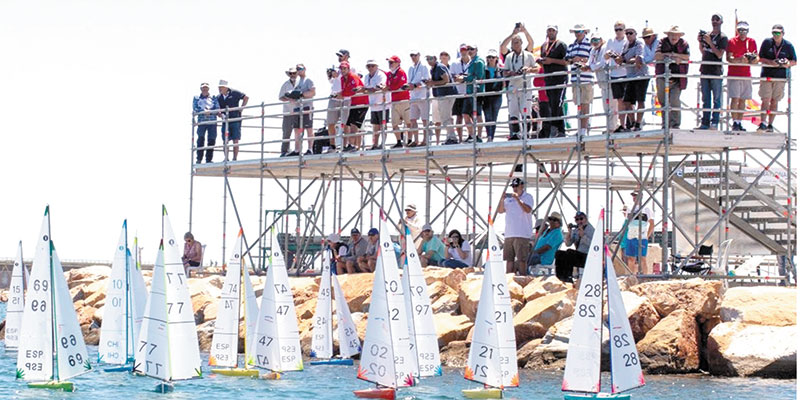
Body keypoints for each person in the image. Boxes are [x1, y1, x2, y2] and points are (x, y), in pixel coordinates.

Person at [757, 24, 797, 132]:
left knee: (775, 101)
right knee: (765, 99)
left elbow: (794, 61)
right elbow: (759, 58)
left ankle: (770, 125)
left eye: (778, 33)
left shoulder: (788, 45)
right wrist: (771, 62)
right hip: (767, 75)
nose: (776, 35)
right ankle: (763, 123)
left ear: (783, 33)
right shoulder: (767, 42)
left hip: (780, 77)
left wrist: (786, 63)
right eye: (774, 33)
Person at [501, 30, 537, 139]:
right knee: (513, 112)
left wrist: (528, 69)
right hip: (512, 87)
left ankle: (526, 134)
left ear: (521, 43)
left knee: (526, 111)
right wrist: (511, 73)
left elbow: (537, 68)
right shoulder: (508, 57)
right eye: (513, 42)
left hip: (525, 87)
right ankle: (516, 134)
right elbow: (504, 72)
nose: (515, 45)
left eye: (517, 42)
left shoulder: (529, 55)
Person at [655, 26, 690, 129]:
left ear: (679, 36)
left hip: (677, 78)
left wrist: (677, 56)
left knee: (674, 101)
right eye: (671, 34)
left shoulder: (684, 44)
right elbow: (657, 56)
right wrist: (672, 56)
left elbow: (687, 56)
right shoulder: (662, 42)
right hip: (662, 76)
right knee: (663, 101)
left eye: (676, 35)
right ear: (668, 35)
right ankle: (665, 124)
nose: (673, 37)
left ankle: (675, 125)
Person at [697, 13, 728, 130]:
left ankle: (714, 122)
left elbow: (720, 54)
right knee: (705, 98)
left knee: (716, 99)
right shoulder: (708, 35)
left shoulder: (723, 37)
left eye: (717, 19)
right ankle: (704, 122)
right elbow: (703, 51)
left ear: (721, 22)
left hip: (716, 72)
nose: (715, 21)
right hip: (705, 69)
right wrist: (700, 41)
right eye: (713, 19)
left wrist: (710, 43)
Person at [726, 21, 759, 132]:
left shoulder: (752, 42)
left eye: (744, 30)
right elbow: (729, 58)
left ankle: (739, 122)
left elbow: (756, 58)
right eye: (740, 30)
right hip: (734, 74)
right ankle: (735, 122)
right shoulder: (732, 41)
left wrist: (752, 59)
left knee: (743, 100)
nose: (742, 32)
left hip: (746, 74)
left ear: (748, 31)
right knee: (735, 98)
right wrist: (740, 59)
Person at [497, 177, 534, 275]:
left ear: (522, 186)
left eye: (516, 186)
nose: (514, 188)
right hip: (509, 233)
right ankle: (508, 279)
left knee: (522, 259)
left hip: (522, 233)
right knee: (509, 259)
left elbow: (527, 210)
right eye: (513, 186)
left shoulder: (527, 197)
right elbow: (500, 211)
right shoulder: (508, 199)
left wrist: (517, 199)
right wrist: (502, 200)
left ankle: (523, 277)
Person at [539, 25, 569, 136]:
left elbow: (566, 61)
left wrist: (552, 60)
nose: (550, 32)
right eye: (549, 30)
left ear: (556, 32)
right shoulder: (544, 46)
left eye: (552, 30)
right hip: (549, 78)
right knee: (551, 104)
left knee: (558, 103)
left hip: (560, 77)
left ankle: (558, 128)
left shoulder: (561, 45)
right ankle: (557, 128)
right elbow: (543, 62)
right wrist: (542, 62)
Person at [566, 24, 594, 136]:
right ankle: (580, 128)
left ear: (585, 32)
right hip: (575, 78)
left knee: (585, 103)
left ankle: (583, 130)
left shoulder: (590, 44)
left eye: (580, 31)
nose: (578, 34)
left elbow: (593, 59)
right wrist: (573, 60)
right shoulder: (571, 45)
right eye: (576, 32)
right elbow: (567, 60)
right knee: (578, 104)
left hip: (586, 78)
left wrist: (582, 60)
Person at [554, 212, 595, 283]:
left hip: (588, 256)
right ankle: (560, 276)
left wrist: (583, 236)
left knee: (570, 253)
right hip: (579, 255)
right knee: (559, 254)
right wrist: (569, 233)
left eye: (581, 219)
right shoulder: (576, 230)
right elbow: (568, 244)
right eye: (577, 219)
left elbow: (593, 245)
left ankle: (568, 277)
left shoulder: (591, 230)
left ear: (586, 219)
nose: (579, 221)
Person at [426, 54, 458, 145]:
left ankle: (452, 137)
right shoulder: (433, 69)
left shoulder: (439, 67)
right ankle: (450, 136)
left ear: (435, 59)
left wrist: (433, 83)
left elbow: (446, 80)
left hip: (446, 94)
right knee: (446, 117)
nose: (429, 61)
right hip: (443, 95)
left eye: (431, 58)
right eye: (428, 59)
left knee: (445, 117)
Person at [620, 27, 647, 131]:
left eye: (630, 33)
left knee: (640, 99)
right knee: (627, 101)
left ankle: (638, 123)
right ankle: (633, 122)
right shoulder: (625, 45)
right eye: (626, 33)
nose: (628, 35)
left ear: (635, 34)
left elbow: (638, 58)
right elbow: (623, 58)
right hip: (630, 76)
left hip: (641, 75)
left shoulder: (639, 43)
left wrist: (626, 60)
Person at [587, 31, 614, 132]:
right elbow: (591, 62)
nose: (595, 42)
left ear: (601, 40)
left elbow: (602, 63)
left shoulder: (604, 48)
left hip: (608, 80)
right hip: (601, 81)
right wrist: (587, 66)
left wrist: (590, 67)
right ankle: (610, 126)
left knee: (611, 105)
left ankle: (612, 127)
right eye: (593, 40)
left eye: (597, 40)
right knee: (606, 105)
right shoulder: (593, 51)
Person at [339, 62, 369, 151]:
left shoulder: (353, 77)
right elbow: (345, 91)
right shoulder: (342, 79)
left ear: (348, 69)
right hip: (354, 103)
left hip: (361, 103)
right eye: (341, 69)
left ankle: (353, 145)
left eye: (345, 68)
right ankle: (351, 145)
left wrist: (342, 94)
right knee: (350, 124)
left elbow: (354, 90)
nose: (343, 70)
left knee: (354, 125)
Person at [218, 80, 249, 161]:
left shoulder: (234, 92)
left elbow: (246, 97)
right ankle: (226, 158)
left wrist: (241, 108)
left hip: (235, 119)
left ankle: (234, 158)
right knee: (225, 140)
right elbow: (218, 109)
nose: (219, 89)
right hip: (226, 120)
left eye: (221, 87)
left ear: (225, 88)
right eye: (219, 87)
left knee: (235, 139)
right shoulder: (219, 97)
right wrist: (221, 114)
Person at [606, 22, 629, 132]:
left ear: (624, 30)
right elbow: (605, 56)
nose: (618, 31)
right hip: (614, 74)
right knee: (619, 100)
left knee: (628, 100)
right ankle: (622, 124)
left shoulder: (627, 40)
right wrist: (610, 54)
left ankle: (630, 123)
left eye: (620, 29)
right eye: (616, 29)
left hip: (626, 73)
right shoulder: (611, 41)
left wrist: (619, 57)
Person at [362, 60, 388, 150]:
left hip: (382, 103)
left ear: (376, 66)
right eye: (368, 66)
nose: (370, 68)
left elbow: (378, 87)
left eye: (372, 66)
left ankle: (383, 144)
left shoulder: (381, 75)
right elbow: (367, 89)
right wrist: (369, 89)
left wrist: (369, 89)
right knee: (375, 126)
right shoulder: (366, 77)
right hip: (373, 104)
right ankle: (375, 144)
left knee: (383, 125)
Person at [406, 51, 431, 146]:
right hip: (413, 96)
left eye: (415, 55)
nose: (413, 57)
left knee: (425, 119)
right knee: (413, 119)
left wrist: (416, 85)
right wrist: (409, 86)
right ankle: (415, 140)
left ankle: (425, 140)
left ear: (419, 55)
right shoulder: (410, 68)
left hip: (423, 96)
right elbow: (409, 82)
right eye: (411, 55)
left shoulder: (424, 66)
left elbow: (426, 80)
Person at [386, 55, 411, 148]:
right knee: (394, 123)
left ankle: (409, 140)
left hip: (404, 99)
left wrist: (389, 88)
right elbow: (389, 85)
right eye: (389, 62)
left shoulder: (401, 72)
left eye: (392, 62)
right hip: (395, 101)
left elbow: (399, 86)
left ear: (397, 63)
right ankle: (399, 141)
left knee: (408, 121)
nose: (390, 64)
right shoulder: (389, 74)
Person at [462, 45, 485, 142]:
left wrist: (464, 78)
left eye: (472, 49)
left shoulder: (478, 61)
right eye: (468, 49)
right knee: (465, 114)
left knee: (478, 114)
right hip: (469, 91)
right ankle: (472, 135)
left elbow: (478, 76)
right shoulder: (471, 62)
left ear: (476, 50)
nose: (470, 51)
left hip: (477, 92)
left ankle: (479, 136)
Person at [627, 191, 655, 273]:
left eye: (636, 196)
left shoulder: (646, 209)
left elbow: (652, 224)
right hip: (631, 236)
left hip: (642, 236)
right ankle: (631, 276)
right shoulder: (630, 208)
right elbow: (628, 222)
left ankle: (645, 277)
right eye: (633, 196)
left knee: (642, 258)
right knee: (631, 258)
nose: (634, 198)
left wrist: (647, 236)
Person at [291, 64, 316, 156]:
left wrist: (302, 94)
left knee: (308, 128)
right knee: (296, 129)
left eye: (300, 69)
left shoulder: (308, 80)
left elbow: (313, 92)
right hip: (297, 107)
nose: (299, 71)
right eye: (297, 69)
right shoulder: (297, 82)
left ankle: (310, 149)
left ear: (305, 69)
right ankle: (297, 150)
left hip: (307, 106)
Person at [192, 82, 219, 163]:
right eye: (203, 88)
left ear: (208, 89)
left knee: (211, 140)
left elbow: (217, 108)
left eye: (206, 88)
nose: (205, 89)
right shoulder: (196, 98)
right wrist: (203, 111)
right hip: (201, 122)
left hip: (212, 122)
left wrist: (210, 112)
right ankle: (199, 159)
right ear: (201, 89)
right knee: (200, 140)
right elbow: (195, 108)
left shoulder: (213, 98)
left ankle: (209, 159)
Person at [482, 49, 504, 142]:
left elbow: (504, 82)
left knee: (494, 117)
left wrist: (503, 90)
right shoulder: (483, 69)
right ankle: (489, 136)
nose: (490, 59)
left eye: (492, 57)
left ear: (496, 58)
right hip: (486, 95)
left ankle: (492, 136)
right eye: (489, 57)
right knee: (488, 117)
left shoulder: (501, 69)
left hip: (497, 96)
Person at [450, 45, 471, 142]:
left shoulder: (472, 62)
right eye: (462, 50)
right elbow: (452, 76)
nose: (464, 52)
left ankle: (471, 136)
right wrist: (459, 78)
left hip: (469, 92)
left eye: (465, 50)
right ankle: (460, 139)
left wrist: (463, 78)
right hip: (458, 92)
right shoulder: (455, 63)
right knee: (458, 117)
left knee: (468, 115)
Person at [325, 63, 345, 152]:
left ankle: (345, 145)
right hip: (333, 98)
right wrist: (329, 75)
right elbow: (331, 81)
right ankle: (332, 145)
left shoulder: (348, 70)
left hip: (344, 98)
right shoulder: (335, 77)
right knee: (330, 123)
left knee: (345, 124)